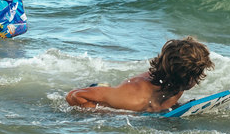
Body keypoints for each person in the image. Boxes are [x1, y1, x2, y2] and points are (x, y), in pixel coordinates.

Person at [65, 37, 214, 113]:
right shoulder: (132, 98)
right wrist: (110, 114)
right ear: (188, 77)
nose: (200, 77)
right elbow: (74, 96)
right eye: (198, 74)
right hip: (112, 94)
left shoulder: (178, 86)